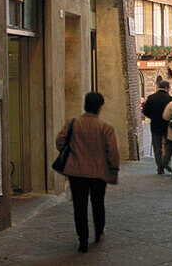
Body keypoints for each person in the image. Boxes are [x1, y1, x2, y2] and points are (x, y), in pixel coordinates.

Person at [55, 91, 119, 254]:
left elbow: (60, 141)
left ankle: (82, 240)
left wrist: (70, 151)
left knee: (79, 206)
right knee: (98, 203)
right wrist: (114, 168)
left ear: (85, 105)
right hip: (98, 172)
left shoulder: (73, 123)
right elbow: (112, 151)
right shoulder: (106, 127)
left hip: (76, 172)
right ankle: (98, 232)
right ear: (100, 107)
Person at [142, 79, 172, 174]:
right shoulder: (170, 99)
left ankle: (160, 167)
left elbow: (145, 111)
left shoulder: (151, 98)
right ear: (166, 87)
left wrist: (152, 117)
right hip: (167, 126)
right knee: (169, 145)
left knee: (156, 146)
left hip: (155, 125)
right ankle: (165, 161)